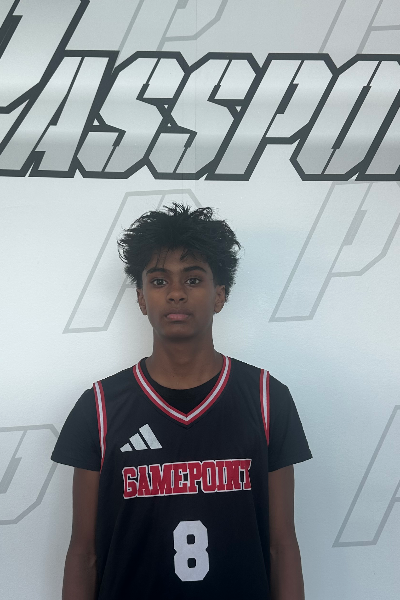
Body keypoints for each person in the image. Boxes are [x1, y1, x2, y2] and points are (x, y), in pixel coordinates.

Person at [51, 203, 313, 600]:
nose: (176, 293)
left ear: (219, 294)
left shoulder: (266, 397)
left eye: (193, 279)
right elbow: (84, 553)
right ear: (141, 298)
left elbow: (282, 546)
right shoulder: (99, 407)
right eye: (159, 281)